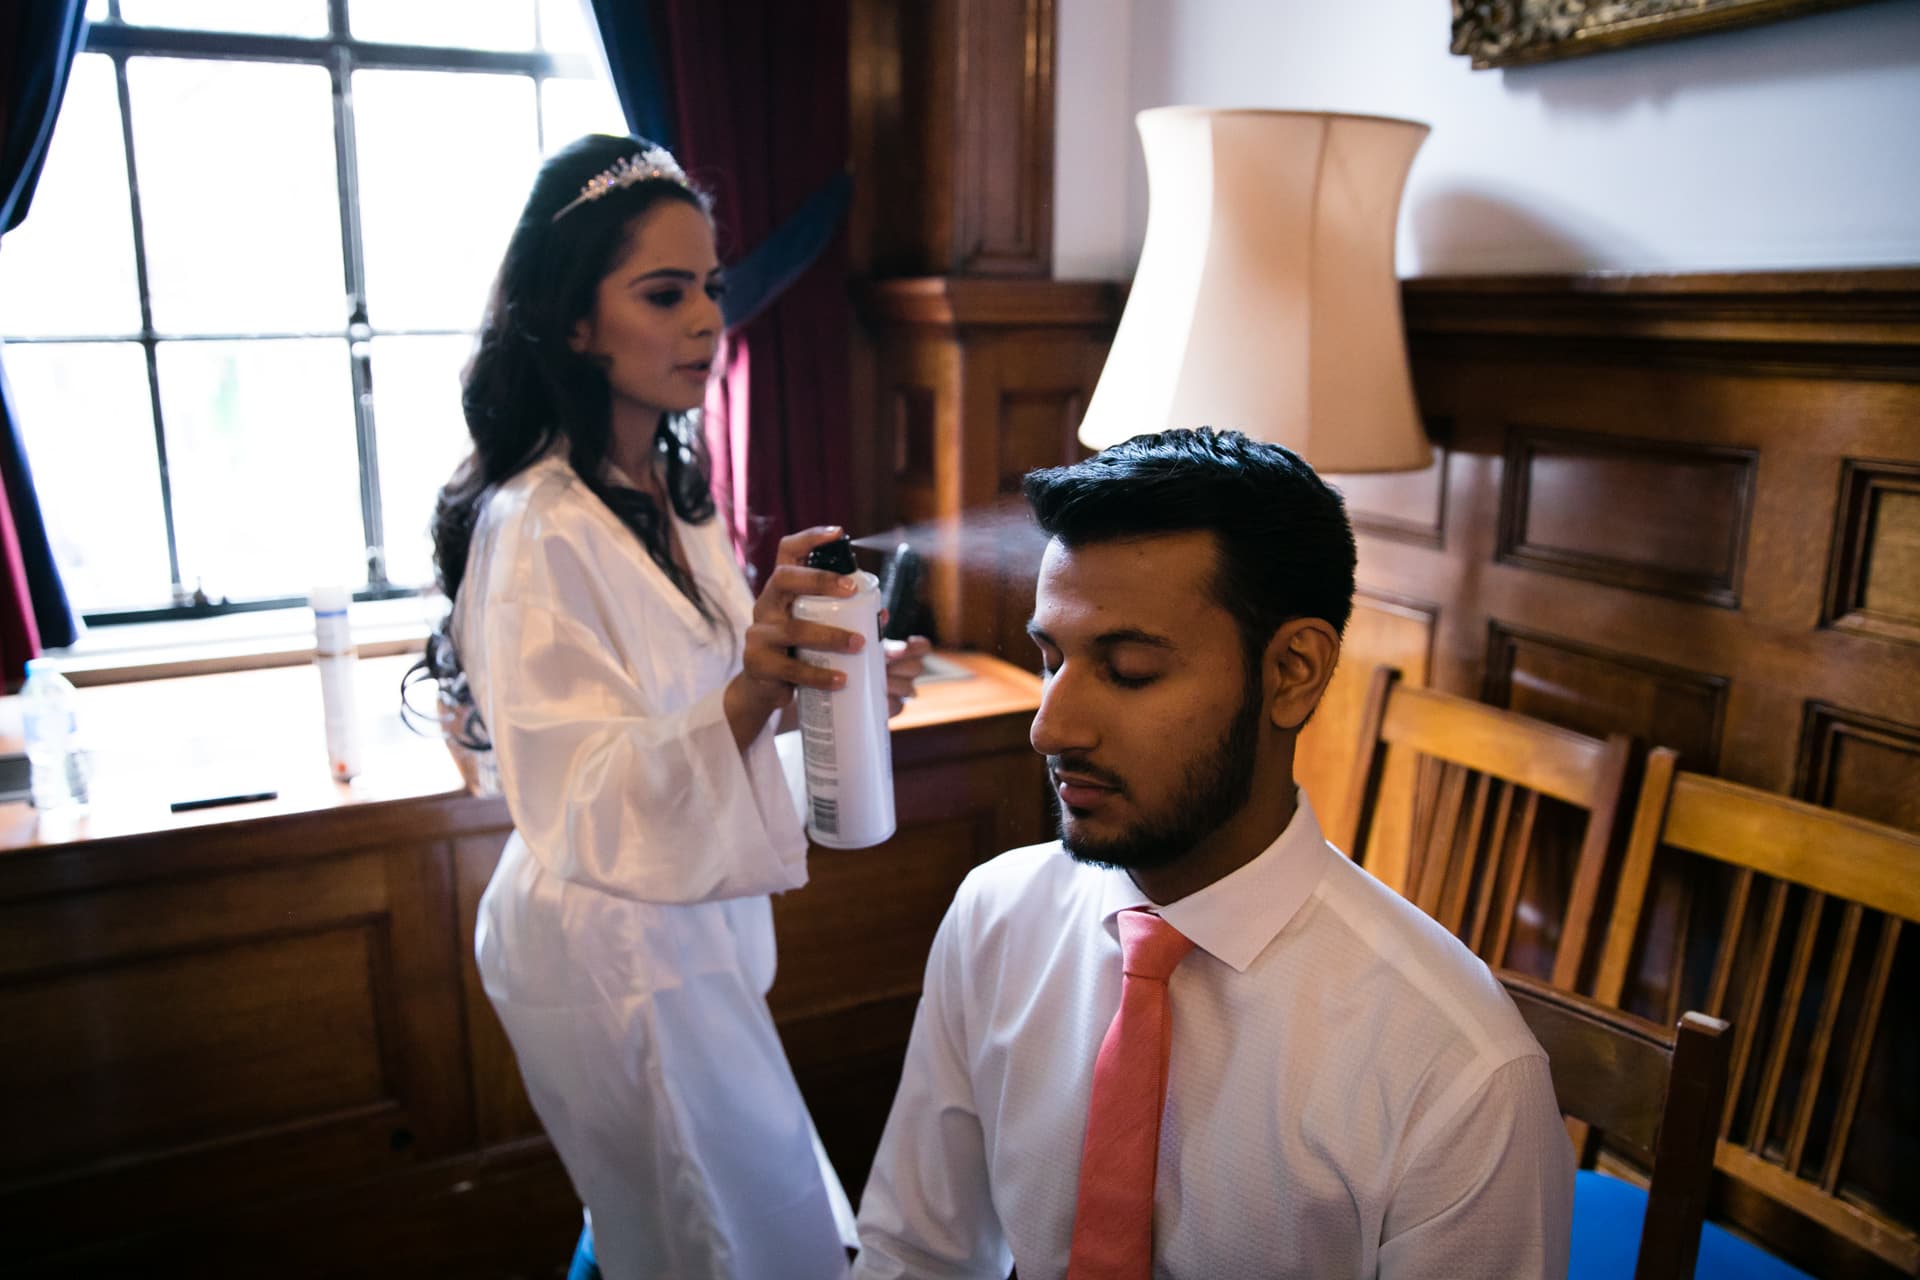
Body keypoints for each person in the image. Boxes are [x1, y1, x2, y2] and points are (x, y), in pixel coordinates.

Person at [851, 428, 1572, 1279]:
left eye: (1127, 670)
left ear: (1293, 672)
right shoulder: (995, 915)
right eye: (1052, 660)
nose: (1051, 726)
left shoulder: (1456, 1076)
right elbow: (915, 1252)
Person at [427, 133, 928, 1280]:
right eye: (663, 292)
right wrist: (758, 683)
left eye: (710, 284)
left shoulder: (675, 492)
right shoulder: (536, 524)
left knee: (736, 1210)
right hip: (605, 943)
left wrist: (823, 700)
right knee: (713, 1233)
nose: (707, 318)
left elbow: (705, 729)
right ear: (573, 323)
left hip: (680, 922)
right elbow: (585, 794)